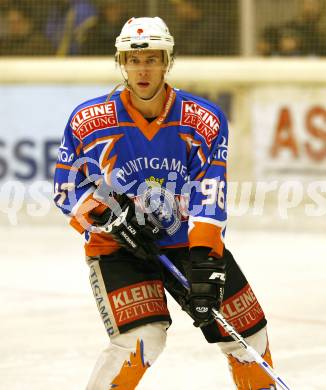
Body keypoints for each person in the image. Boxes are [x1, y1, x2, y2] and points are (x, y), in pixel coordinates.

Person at [53, 17, 276, 389]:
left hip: (187, 242)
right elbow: (66, 188)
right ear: (121, 63)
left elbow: (210, 190)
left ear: (167, 61)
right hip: (118, 248)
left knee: (248, 336)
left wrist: (205, 258)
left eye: (152, 59)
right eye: (133, 60)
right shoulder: (89, 120)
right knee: (141, 339)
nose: (143, 69)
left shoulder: (203, 120)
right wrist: (107, 217)